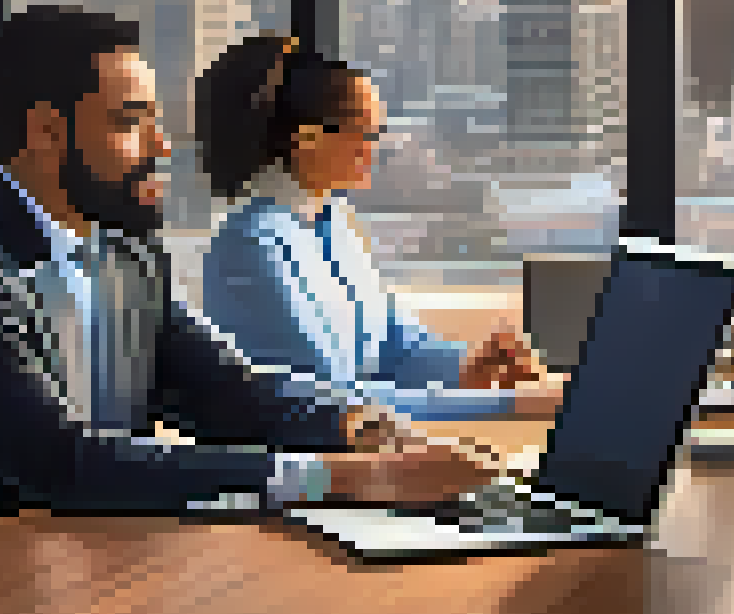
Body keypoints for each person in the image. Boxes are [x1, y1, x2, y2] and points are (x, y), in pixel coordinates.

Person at [0, 6, 492, 517]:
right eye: (131, 120)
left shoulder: (128, 256)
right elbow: (52, 461)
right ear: (49, 131)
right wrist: (334, 479)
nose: (160, 146)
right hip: (3, 581)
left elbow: (227, 392)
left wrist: (355, 425)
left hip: (114, 557)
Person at [196, 35, 557, 422]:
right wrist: (511, 406)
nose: (378, 148)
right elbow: (334, 400)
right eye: (367, 134)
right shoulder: (250, 248)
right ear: (308, 140)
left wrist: (468, 366)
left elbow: (390, 344)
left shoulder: (331, 221)